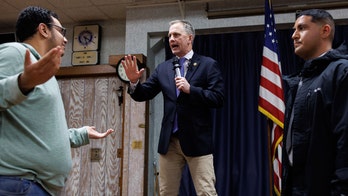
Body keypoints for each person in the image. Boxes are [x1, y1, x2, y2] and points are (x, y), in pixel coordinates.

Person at [0, 6, 114, 195]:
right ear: (43, 29)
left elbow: (38, 132)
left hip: (34, 186)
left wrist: (80, 134)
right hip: (18, 183)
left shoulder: (43, 73)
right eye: (62, 31)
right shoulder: (15, 51)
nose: (66, 38)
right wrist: (23, 83)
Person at [121, 20, 224, 195]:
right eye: (169, 35)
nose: (171, 39)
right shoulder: (163, 68)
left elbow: (218, 98)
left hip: (197, 141)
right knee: (166, 192)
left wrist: (191, 90)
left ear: (189, 38)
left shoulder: (207, 65)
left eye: (176, 35)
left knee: (206, 192)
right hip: (169, 143)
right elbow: (143, 94)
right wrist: (133, 82)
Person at [282, 9, 348, 195]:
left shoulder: (341, 72)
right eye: (294, 29)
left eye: (301, 28)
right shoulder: (300, 81)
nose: (294, 35)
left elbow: (345, 135)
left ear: (325, 31)